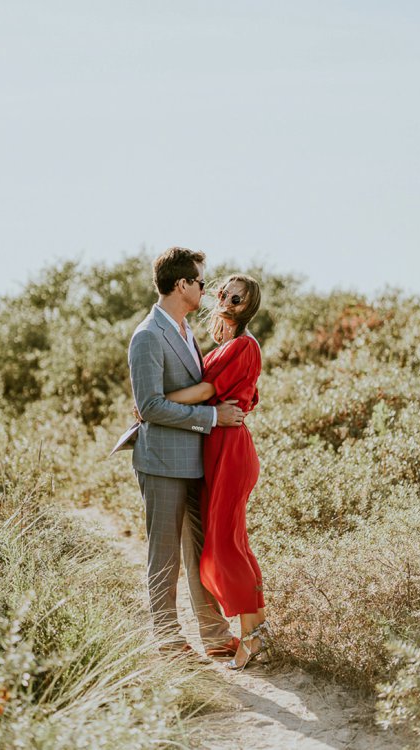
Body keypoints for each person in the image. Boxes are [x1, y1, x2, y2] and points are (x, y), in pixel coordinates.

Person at [127, 247, 245, 658]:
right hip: (160, 460)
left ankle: (213, 636)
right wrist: (213, 419)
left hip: (195, 460)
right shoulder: (146, 336)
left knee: (200, 549)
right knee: (164, 554)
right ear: (181, 285)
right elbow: (151, 407)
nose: (203, 288)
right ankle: (167, 639)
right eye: (199, 281)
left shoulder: (182, 330)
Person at [161, 274, 269, 669]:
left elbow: (207, 392)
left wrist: (158, 401)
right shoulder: (234, 345)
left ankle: (252, 635)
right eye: (223, 291)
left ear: (248, 305)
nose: (226, 299)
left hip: (230, 450)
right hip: (221, 446)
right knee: (231, 541)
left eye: (236, 297)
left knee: (223, 545)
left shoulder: (242, 345)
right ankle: (256, 631)